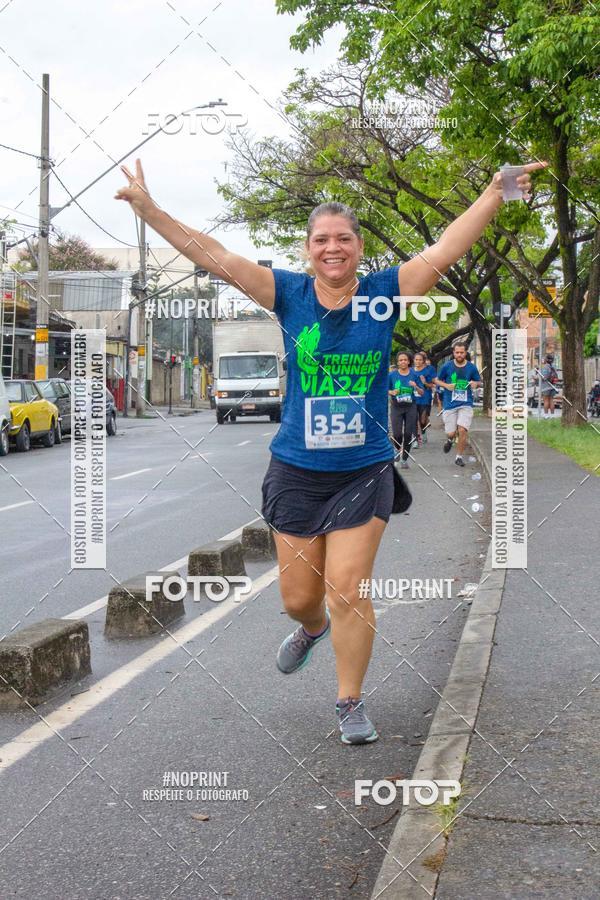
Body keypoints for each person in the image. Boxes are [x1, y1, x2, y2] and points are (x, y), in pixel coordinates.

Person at [115, 158, 545, 745]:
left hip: (363, 470)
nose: (333, 248)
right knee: (300, 599)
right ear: (309, 249)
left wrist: (496, 192)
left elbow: (445, 250)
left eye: (344, 239)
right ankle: (310, 631)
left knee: (348, 586)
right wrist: (151, 209)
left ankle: (349, 701)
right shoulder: (287, 294)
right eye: (322, 240)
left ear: (359, 248)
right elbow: (216, 257)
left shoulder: (383, 293)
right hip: (297, 469)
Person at [434, 343, 482, 467]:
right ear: (453, 353)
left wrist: (475, 384)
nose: (459, 355)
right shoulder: (447, 366)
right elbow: (436, 380)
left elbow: (478, 381)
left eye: (462, 352)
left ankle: (459, 457)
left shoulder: (471, 367)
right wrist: (446, 385)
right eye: (457, 352)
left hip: (466, 403)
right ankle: (450, 439)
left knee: (462, 430)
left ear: (465, 353)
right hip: (450, 404)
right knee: (450, 433)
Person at [388, 351, 423, 468]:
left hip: (410, 407)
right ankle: (397, 450)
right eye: (400, 360)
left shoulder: (414, 375)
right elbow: (384, 389)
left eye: (405, 360)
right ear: (397, 362)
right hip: (396, 407)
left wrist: (416, 386)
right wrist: (392, 392)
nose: (403, 362)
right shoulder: (392, 375)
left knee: (408, 434)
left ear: (409, 362)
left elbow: (422, 392)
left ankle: (404, 459)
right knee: (397, 434)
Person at [413, 350, 436, 445]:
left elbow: (433, 385)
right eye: (416, 359)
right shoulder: (410, 370)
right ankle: (415, 439)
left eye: (421, 359)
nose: (418, 361)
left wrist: (425, 383)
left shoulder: (429, 370)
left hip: (425, 398)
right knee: (414, 419)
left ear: (424, 360)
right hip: (413, 398)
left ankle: (423, 431)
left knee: (422, 420)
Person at [538, 353, 559, 418]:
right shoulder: (553, 367)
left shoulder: (545, 367)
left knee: (546, 400)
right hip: (552, 386)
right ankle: (552, 415)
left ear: (546, 359)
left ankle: (546, 415)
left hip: (546, 387)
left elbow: (544, 377)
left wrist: (537, 377)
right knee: (551, 400)